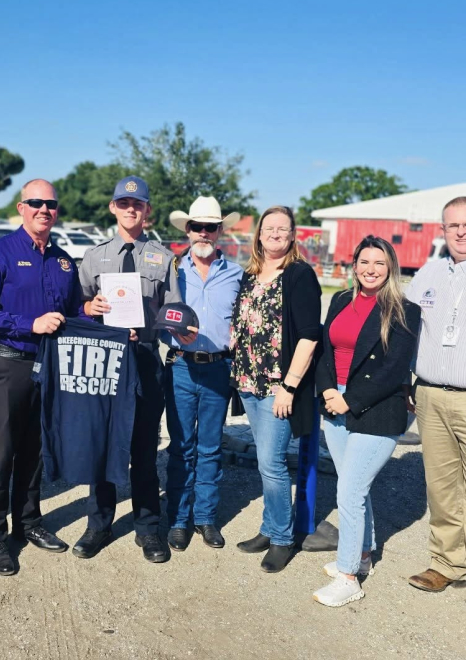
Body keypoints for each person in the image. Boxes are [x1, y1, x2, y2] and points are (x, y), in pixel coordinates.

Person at [0, 179, 82, 576]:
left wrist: (93, 312)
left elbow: (72, 313)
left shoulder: (64, 261)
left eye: (51, 204)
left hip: (49, 367)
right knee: (1, 452)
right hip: (10, 363)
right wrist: (29, 324)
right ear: (21, 207)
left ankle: (29, 521)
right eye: (35, 202)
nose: (44, 210)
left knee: (36, 449)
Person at [406, 196, 466, 644]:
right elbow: (404, 328)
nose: (461, 232)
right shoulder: (428, 273)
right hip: (430, 396)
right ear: (441, 230)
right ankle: (447, 563)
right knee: (442, 489)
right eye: (452, 226)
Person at [76, 175, 181, 563]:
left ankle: (148, 528)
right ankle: (98, 524)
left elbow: (174, 312)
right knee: (103, 444)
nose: (130, 209)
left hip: (145, 358)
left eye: (137, 204)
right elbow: (77, 307)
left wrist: (156, 324)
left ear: (147, 210)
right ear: (113, 207)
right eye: (124, 203)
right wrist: (89, 308)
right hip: (105, 360)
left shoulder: (162, 258)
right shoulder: (94, 257)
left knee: (144, 447)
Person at [312, 235, 420, 607]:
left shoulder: (404, 310)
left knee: (349, 492)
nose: (370, 270)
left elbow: (394, 369)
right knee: (353, 486)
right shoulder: (341, 299)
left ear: (391, 268)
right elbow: (325, 352)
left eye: (379, 263)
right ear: (354, 265)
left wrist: (350, 400)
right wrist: (329, 390)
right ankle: (362, 554)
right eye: (364, 262)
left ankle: (348, 578)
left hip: (377, 409)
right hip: (335, 401)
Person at [230, 205, 321, 573]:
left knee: (272, 463)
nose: (275, 233)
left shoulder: (299, 275)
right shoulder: (251, 274)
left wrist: (290, 386)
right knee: (266, 463)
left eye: (283, 228)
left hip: (277, 387)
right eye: (269, 228)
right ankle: (269, 529)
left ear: (293, 235)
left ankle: (283, 538)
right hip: (248, 383)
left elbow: (310, 336)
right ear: (259, 233)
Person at [162, 196, 243, 552]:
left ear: (220, 230)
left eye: (211, 227)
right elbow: (158, 316)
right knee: (181, 446)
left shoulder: (237, 274)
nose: (204, 233)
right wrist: (171, 333)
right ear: (188, 230)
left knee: (210, 446)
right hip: (181, 365)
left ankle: (205, 517)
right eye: (198, 226)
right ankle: (178, 520)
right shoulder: (172, 271)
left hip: (218, 368)